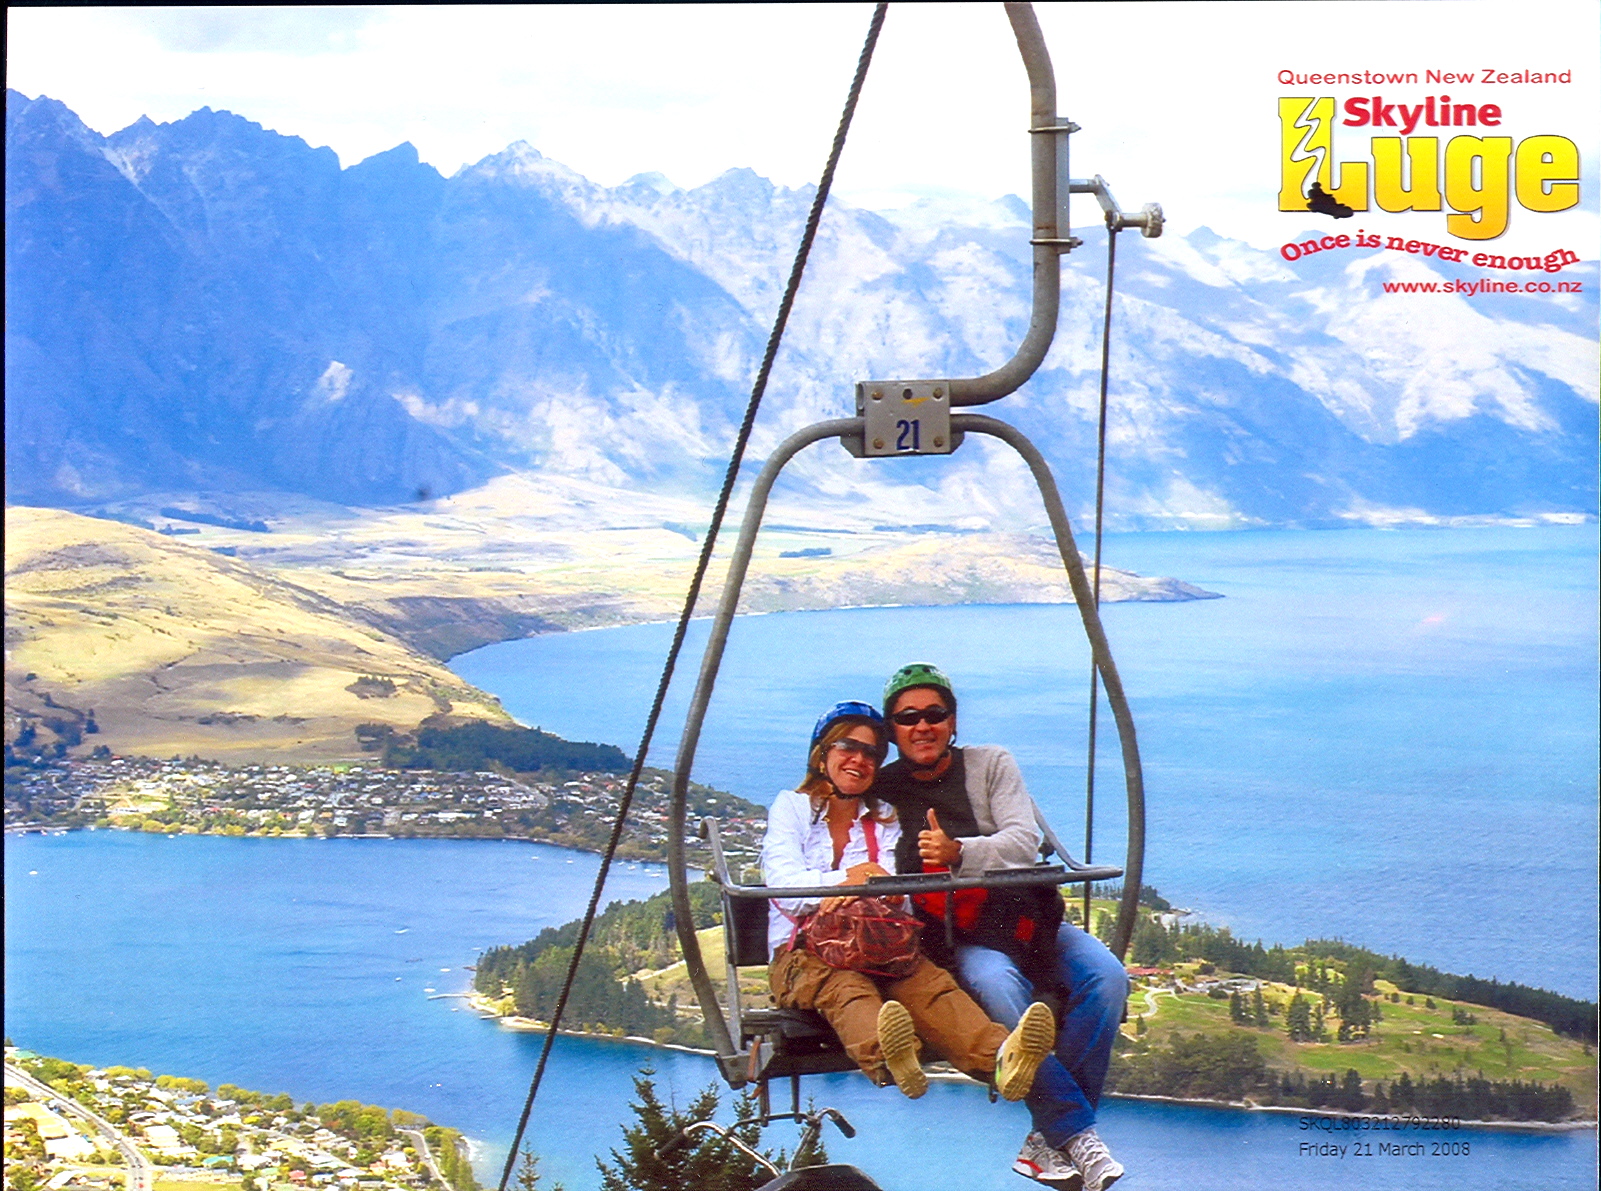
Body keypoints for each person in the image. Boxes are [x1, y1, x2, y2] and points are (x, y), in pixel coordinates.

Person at [874, 663, 1130, 1191]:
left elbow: (1021, 840)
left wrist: (958, 853)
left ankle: (1048, 1138)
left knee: (1107, 978)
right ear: (892, 731)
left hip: (1026, 921)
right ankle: (1075, 1133)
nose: (923, 727)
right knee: (996, 983)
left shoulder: (990, 764)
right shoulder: (886, 788)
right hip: (959, 935)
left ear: (953, 721)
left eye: (934, 714)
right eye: (908, 718)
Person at [761, 700, 1057, 1102]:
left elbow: (893, 892)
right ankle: (892, 1058)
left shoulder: (883, 818)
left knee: (929, 987)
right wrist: (851, 879)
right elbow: (786, 887)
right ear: (822, 754)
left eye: (871, 753)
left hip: (877, 944)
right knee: (846, 988)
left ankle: (1002, 1060)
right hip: (803, 955)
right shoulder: (793, 808)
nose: (859, 760)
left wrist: (863, 886)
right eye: (848, 747)